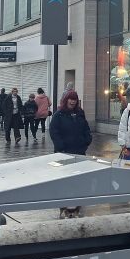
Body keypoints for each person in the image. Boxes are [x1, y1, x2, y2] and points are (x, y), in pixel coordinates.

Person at [49, 90, 92, 218]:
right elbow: (53, 131)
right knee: (65, 181)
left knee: (79, 180)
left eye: (75, 99)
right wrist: (60, 146)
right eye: (70, 99)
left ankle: (77, 207)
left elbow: (86, 128)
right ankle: (64, 208)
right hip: (64, 153)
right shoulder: (59, 115)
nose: (72, 101)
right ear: (66, 100)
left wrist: (87, 140)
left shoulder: (80, 113)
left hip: (79, 152)